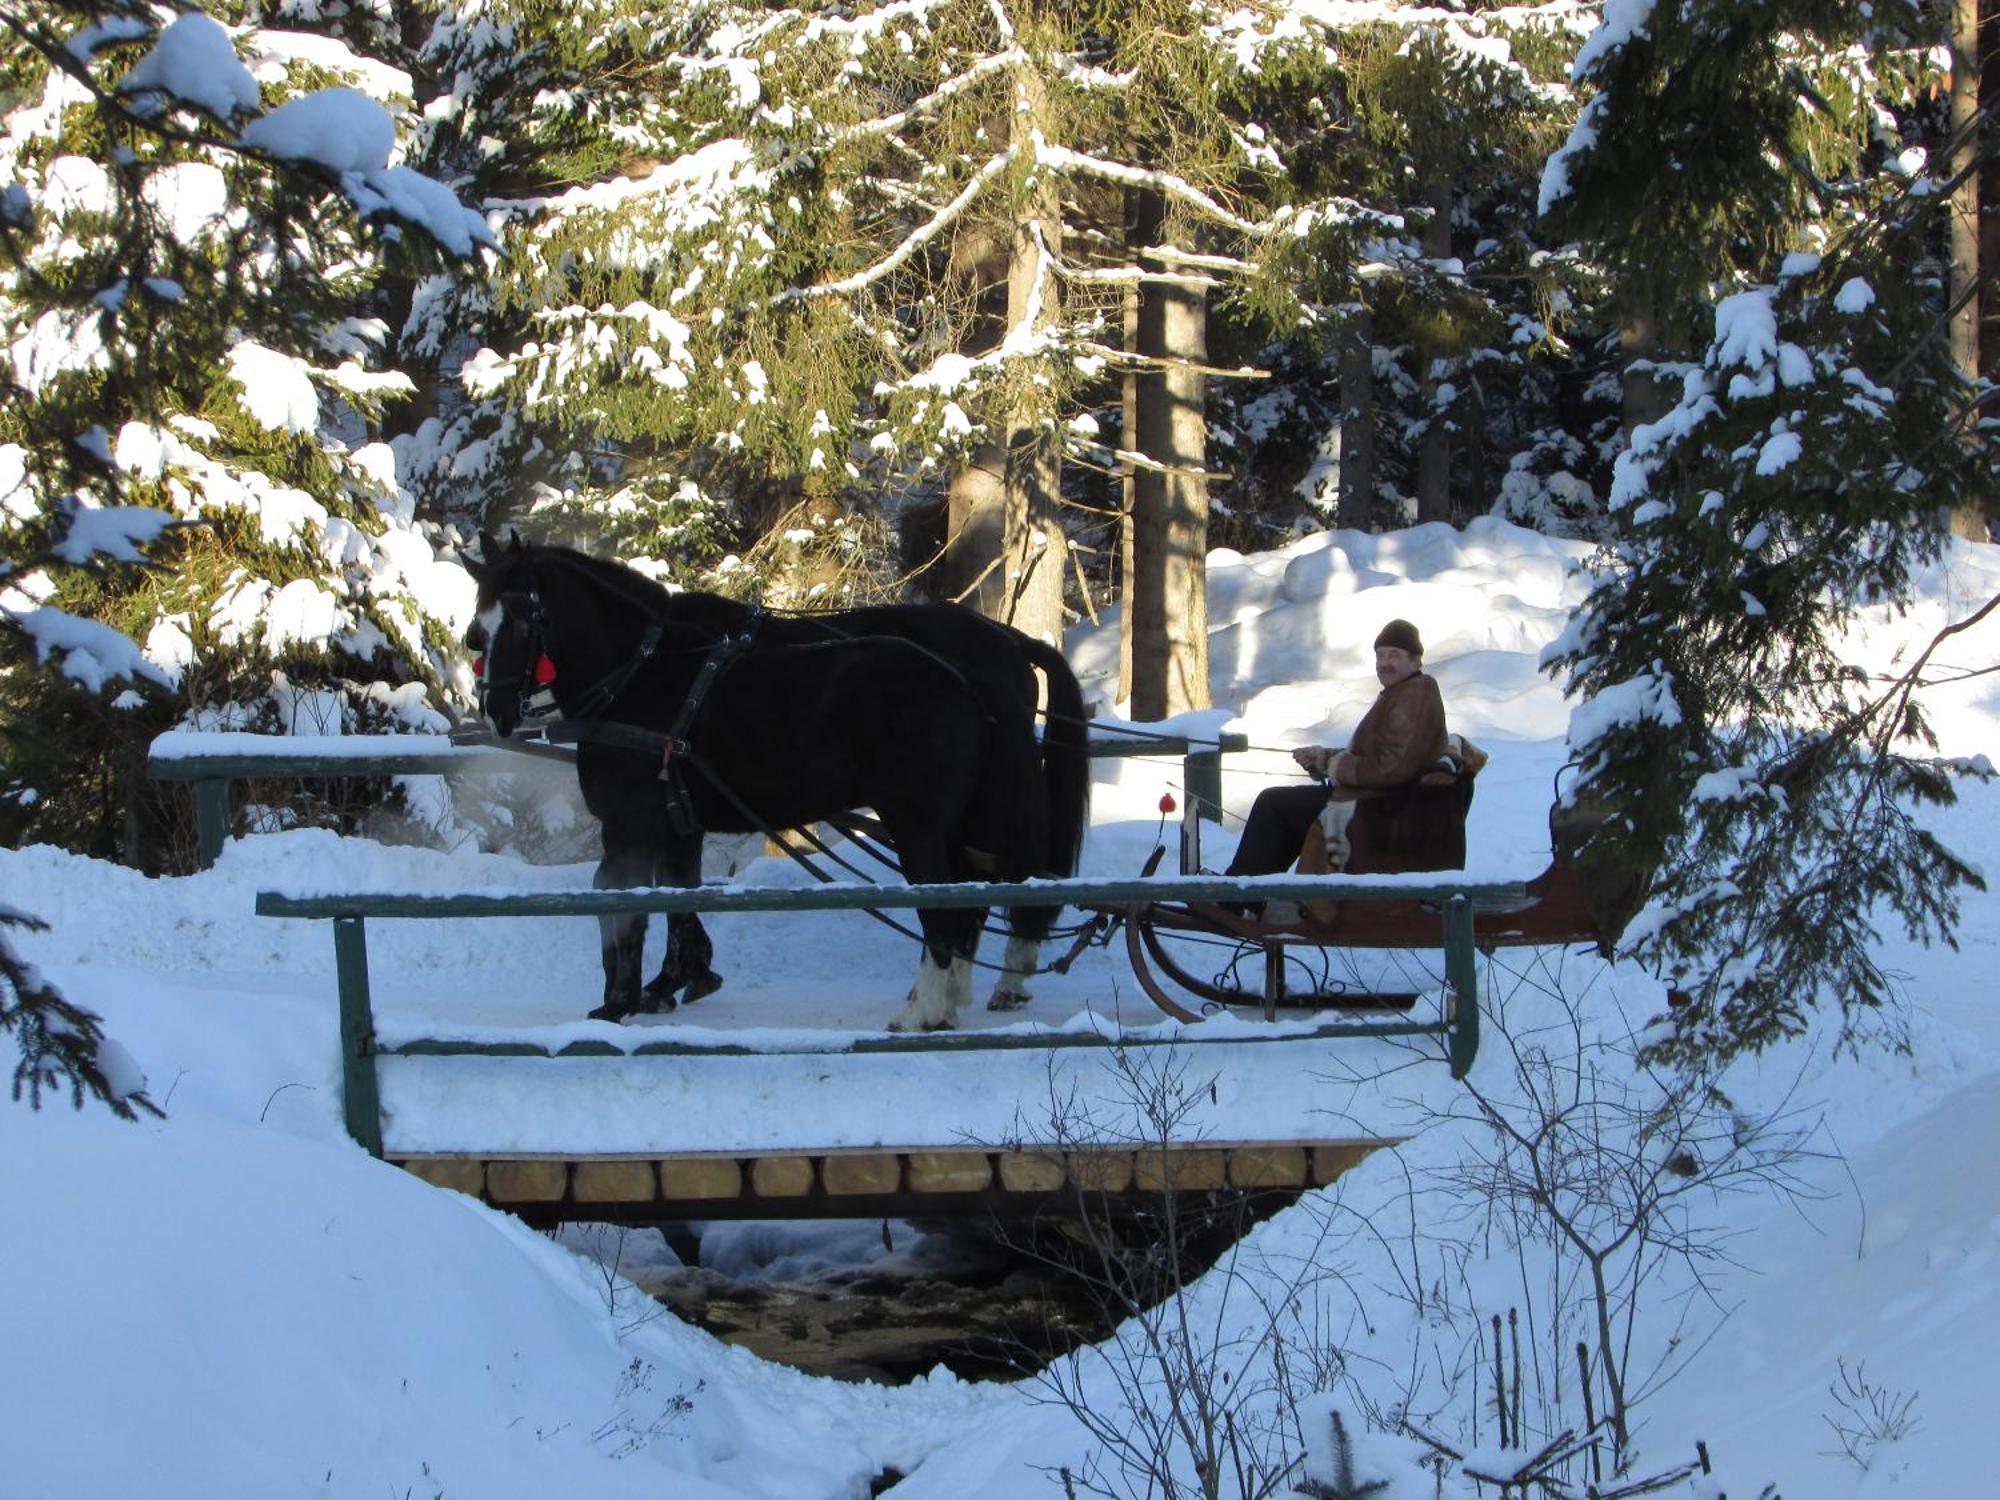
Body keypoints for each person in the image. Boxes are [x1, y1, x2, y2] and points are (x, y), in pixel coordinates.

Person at [1224, 618, 1450, 879]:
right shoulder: (1404, 691)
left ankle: (1242, 893)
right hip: (1378, 800)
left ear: (1415, 660)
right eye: (1380, 656)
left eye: (1394, 655)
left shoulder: (1415, 694)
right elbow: (1377, 758)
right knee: (1280, 804)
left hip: (1382, 810)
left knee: (1274, 804)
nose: (1384, 663)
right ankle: (1255, 891)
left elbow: (1393, 768)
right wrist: (1323, 759)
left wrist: (1336, 766)